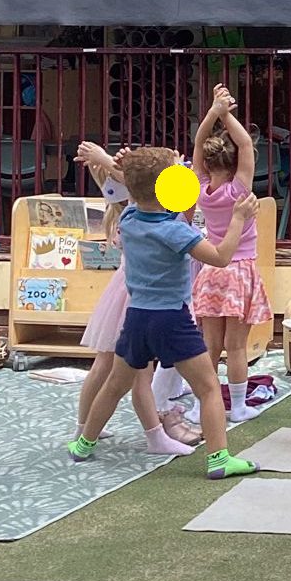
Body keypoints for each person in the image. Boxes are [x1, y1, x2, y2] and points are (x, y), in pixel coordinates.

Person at [67, 148, 261, 480]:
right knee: (209, 388)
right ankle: (219, 459)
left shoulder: (128, 219)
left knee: (115, 385)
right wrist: (238, 219)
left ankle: (84, 443)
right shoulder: (176, 232)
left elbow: (145, 190)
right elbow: (220, 256)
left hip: (137, 318)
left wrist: (125, 166)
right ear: (168, 189)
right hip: (171, 320)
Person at [72, 142, 192, 457]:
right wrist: (111, 162)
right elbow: (152, 188)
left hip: (126, 293)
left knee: (108, 365)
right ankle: (153, 436)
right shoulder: (145, 216)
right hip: (138, 298)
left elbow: (142, 187)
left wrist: (108, 163)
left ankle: (84, 427)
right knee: (138, 373)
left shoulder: (128, 216)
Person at [189, 84, 272, 424]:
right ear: (235, 162)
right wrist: (226, 113)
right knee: (236, 347)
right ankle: (237, 405)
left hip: (211, 269)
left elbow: (197, 143)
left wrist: (212, 112)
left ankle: (200, 405)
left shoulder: (199, 187)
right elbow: (246, 143)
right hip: (240, 271)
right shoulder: (239, 189)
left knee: (209, 345)